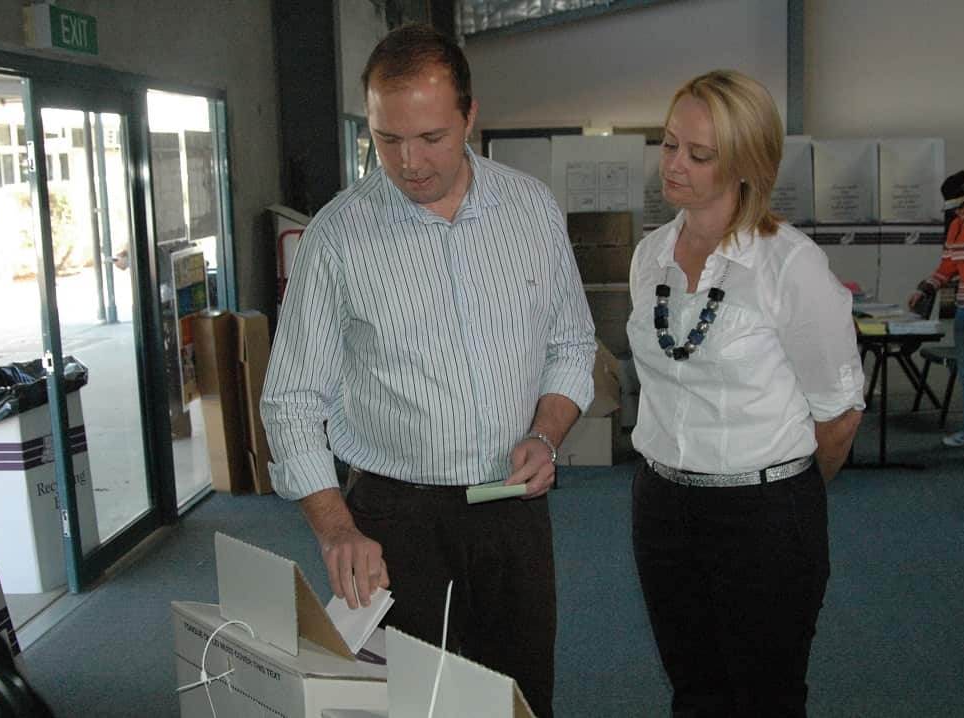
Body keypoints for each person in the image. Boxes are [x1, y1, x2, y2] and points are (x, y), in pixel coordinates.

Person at [260, 24, 595, 717]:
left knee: (521, 696)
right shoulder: (337, 237)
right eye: (388, 139)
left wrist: (548, 431)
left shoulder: (531, 210)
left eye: (432, 137)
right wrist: (335, 528)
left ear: (470, 116)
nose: (409, 161)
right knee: (419, 705)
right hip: (395, 518)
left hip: (512, 509)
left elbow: (572, 346)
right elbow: (290, 400)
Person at [624, 69, 865, 717]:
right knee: (694, 692)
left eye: (699, 155)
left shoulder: (790, 266)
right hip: (662, 506)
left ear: (745, 167)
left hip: (763, 515)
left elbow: (838, 417)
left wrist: (780, 496)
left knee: (766, 698)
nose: (674, 165)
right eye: (670, 144)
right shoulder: (650, 257)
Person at [907, 169, 964, 461]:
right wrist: (926, 288)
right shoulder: (955, 227)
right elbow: (947, 267)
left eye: (961, 205)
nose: (959, 212)